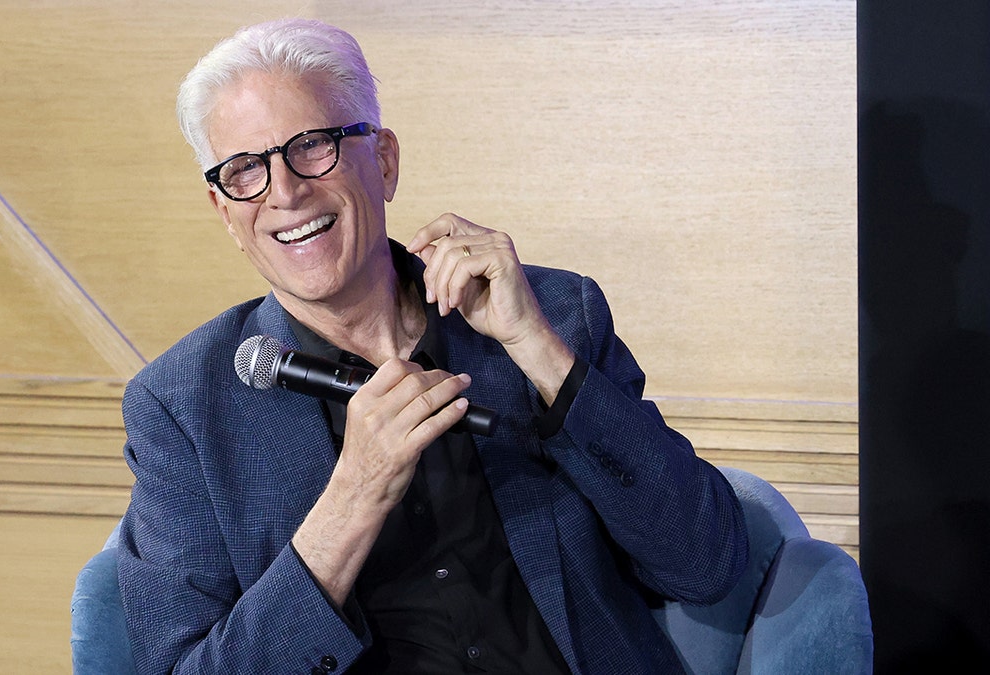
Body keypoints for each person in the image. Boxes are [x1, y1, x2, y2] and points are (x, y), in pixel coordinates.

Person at [117, 17, 748, 674]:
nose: (285, 192)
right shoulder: (182, 406)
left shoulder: (555, 315)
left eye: (312, 144)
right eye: (246, 169)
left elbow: (706, 564)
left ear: (383, 160)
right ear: (225, 212)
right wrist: (355, 495)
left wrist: (537, 347)